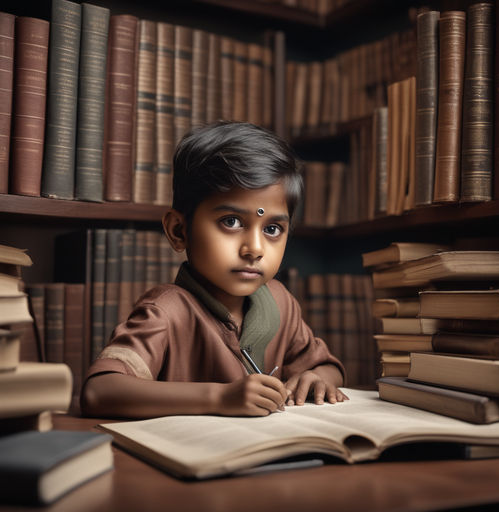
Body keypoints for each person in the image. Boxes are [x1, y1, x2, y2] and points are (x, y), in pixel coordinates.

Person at [81, 121, 347, 419]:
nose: (255, 249)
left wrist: (318, 379)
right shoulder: (166, 311)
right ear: (179, 231)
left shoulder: (280, 302)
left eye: (272, 228)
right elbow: (100, 391)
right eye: (231, 222)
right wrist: (219, 397)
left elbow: (327, 367)